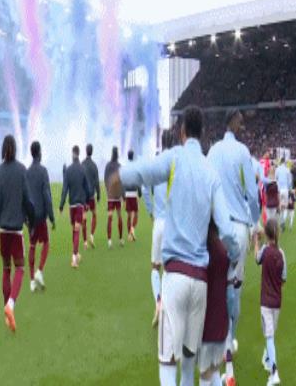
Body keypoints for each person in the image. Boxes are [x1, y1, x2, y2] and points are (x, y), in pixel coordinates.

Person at [109, 106, 240, 386]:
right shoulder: (210, 171)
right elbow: (227, 230)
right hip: (200, 283)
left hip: (176, 278)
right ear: (202, 133)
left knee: (168, 360)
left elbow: (142, 172)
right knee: (189, 365)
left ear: (182, 132)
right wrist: (235, 255)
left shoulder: (174, 158)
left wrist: (119, 177)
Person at [207, 110, 260, 384]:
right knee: (234, 292)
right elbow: (252, 194)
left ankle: (217, 353)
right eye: (241, 122)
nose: (243, 126)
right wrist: (256, 221)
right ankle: (228, 352)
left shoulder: (213, 152)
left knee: (216, 290)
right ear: (232, 123)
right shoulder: (242, 152)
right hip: (237, 227)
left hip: (215, 229)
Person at [0, 135, 34, 333]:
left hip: (2, 231)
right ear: (15, 149)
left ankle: (7, 312)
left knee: (6, 269)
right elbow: (28, 200)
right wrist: (31, 221)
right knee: (20, 268)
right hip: (16, 230)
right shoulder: (22, 170)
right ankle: (11, 305)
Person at [143, 130, 172, 327]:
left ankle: (159, 302)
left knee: (155, 266)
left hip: (159, 221)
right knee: (171, 268)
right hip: (174, 224)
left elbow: (145, 189)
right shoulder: (177, 163)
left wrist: (150, 211)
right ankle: (169, 307)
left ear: (161, 143)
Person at [198, 221, 231, 386]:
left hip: (206, 320)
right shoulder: (224, 252)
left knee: (205, 372)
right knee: (215, 369)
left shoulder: (202, 253)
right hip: (221, 318)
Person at [254, 219, 286, 386]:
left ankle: (274, 373)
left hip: (266, 301)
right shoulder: (281, 254)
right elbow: (284, 279)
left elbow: (256, 258)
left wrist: (256, 242)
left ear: (266, 234)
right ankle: (267, 359)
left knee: (269, 335)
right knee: (270, 334)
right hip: (277, 302)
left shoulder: (265, 251)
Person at [26, 141, 55, 292]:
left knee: (32, 246)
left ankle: (32, 281)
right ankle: (39, 271)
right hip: (40, 216)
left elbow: (23, 196)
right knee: (46, 243)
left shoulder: (26, 172)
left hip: (30, 216)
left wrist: (25, 217)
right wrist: (52, 216)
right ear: (39, 153)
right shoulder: (43, 171)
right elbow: (46, 195)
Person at [59, 146, 91, 268]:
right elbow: (88, 188)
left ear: (72, 154)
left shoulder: (68, 170)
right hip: (79, 204)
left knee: (74, 229)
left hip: (72, 205)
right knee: (76, 230)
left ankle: (76, 254)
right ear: (79, 153)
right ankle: (74, 258)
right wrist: (87, 201)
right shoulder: (83, 169)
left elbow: (64, 189)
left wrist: (61, 205)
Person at [104, 146, 123, 248]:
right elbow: (122, 181)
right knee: (119, 216)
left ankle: (109, 240)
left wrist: (108, 190)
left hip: (111, 195)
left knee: (110, 217)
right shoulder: (119, 166)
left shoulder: (108, 165)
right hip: (117, 195)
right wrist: (122, 195)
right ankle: (120, 239)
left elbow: (105, 179)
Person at [82, 143, 100, 248]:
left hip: (84, 196)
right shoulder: (94, 165)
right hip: (91, 196)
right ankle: (91, 235)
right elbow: (97, 181)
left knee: (84, 218)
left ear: (86, 151)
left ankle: (85, 242)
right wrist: (99, 194)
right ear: (92, 152)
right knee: (94, 215)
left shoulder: (82, 164)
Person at [124, 150, 141, 242]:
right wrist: (140, 193)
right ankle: (132, 229)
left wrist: (123, 195)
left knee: (129, 215)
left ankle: (129, 235)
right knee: (136, 213)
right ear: (133, 156)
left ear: (127, 156)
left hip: (127, 193)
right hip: (134, 193)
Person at [275, 158, 292, 231]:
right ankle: (282, 222)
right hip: (285, 190)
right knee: (285, 207)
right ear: (284, 162)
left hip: (279, 190)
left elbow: (275, 179)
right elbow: (289, 181)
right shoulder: (287, 169)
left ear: (280, 162)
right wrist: (289, 189)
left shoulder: (277, 169)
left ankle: (280, 222)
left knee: (279, 206)